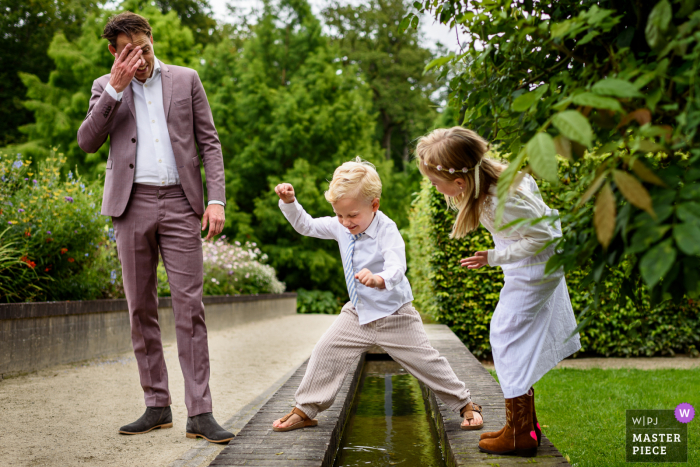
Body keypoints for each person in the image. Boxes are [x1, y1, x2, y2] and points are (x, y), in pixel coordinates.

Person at [77, 11, 233, 444]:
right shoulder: (103, 88)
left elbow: (210, 142)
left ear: (151, 39)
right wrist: (116, 87)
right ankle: (157, 404)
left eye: (144, 48)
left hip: (182, 205)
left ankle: (200, 412)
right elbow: (87, 141)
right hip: (131, 206)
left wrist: (215, 198)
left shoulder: (186, 79)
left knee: (190, 309)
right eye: (129, 52)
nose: (140, 58)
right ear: (113, 52)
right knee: (140, 309)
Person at [271, 158, 484, 432]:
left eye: (352, 215)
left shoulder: (387, 229)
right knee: (325, 352)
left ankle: (465, 404)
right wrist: (290, 203)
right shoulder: (341, 226)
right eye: (340, 215)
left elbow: (397, 265)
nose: (346, 222)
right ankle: (305, 409)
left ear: (374, 204)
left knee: (427, 361)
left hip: (395, 314)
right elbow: (307, 226)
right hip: (357, 313)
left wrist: (379, 278)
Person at [415, 127, 581, 457]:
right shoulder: (495, 181)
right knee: (509, 336)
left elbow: (543, 237)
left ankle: (520, 433)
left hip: (536, 269)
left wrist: (494, 257)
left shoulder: (499, 200)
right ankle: (524, 427)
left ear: (459, 182)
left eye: (435, 182)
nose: (436, 188)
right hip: (530, 266)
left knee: (505, 335)